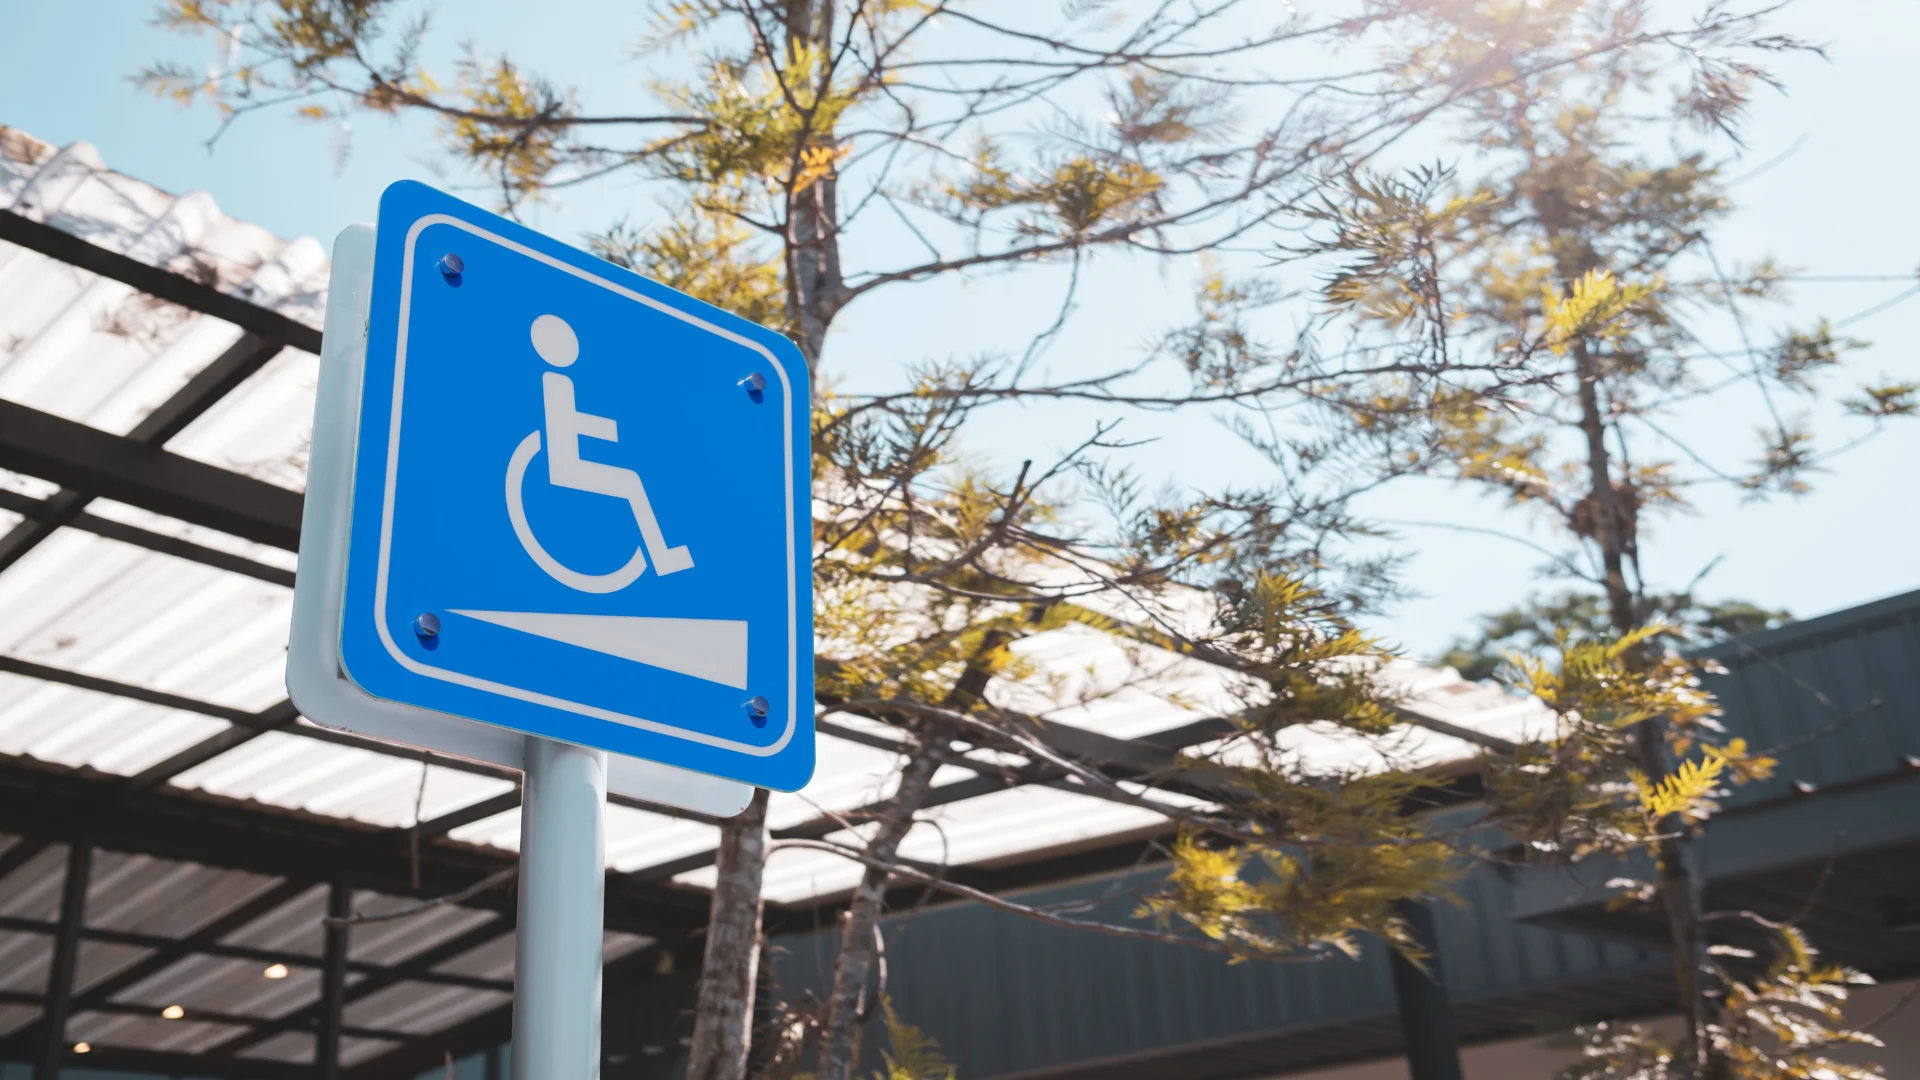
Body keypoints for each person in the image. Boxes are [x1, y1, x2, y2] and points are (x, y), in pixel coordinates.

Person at [531, 313, 694, 576]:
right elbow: (564, 421)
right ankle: (662, 557)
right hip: (564, 464)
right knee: (630, 482)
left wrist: (604, 429)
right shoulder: (556, 382)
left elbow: (571, 420)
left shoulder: (561, 380)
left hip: (567, 457)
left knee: (630, 482)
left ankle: (661, 555)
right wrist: (606, 429)